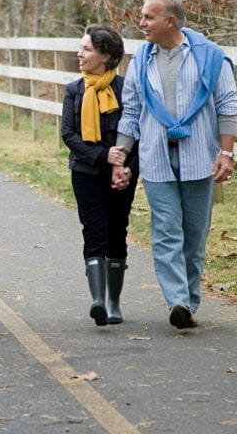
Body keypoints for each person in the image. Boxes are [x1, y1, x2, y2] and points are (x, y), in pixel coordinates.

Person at [113, 0, 237, 329]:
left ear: (170, 21)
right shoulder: (141, 60)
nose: (141, 23)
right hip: (156, 158)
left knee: (194, 235)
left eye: (148, 17)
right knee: (166, 231)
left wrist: (226, 152)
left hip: (199, 157)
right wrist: (120, 157)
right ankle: (177, 300)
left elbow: (227, 106)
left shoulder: (210, 57)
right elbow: (131, 112)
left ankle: (190, 301)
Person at [61, 25, 140, 326]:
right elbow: (68, 134)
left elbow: (138, 132)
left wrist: (128, 167)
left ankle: (114, 302)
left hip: (122, 175)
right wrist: (102, 155)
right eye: (81, 48)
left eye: (87, 49)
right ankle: (98, 301)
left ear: (105, 56)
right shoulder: (74, 90)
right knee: (94, 231)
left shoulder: (125, 89)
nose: (79, 54)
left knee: (117, 230)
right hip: (86, 172)